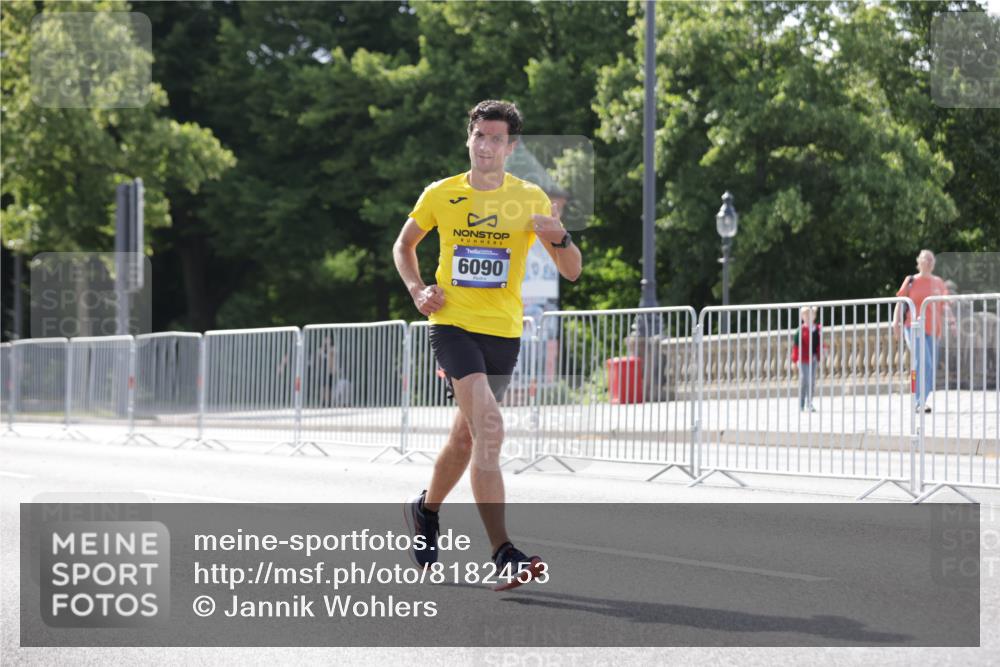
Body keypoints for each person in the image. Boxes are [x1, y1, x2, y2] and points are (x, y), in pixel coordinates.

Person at [392, 100, 582, 590]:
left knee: (466, 438)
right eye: (480, 136)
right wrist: (417, 290)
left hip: (504, 332)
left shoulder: (528, 198)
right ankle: (503, 551)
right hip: (453, 325)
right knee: (491, 428)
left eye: (497, 139)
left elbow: (572, 269)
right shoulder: (442, 194)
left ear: (511, 147)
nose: (487, 146)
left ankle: (425, 509)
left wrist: (559, 237)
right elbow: (404, 245)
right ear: (469, 138)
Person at [893, 249, 949, 413]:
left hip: (934, 330)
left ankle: (921, 400)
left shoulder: (939, 282)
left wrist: (952, 321)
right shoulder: (911, 281)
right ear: (919, 262)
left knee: (930, 367)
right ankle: (917, 400)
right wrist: (896, 321)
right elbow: (900, 301)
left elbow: (945, 306)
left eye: (931, 259)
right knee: (922, 361)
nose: (929, 262)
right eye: (925, 259)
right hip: (914, 327)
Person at [791, 306, 821, 412]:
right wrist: (794, 360)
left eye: (810, 314)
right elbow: (795, 347)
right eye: (805, 315)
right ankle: (801, 403)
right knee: (804, 379)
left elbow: (819, 344)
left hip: (812, 358)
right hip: (803, 359)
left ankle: (809, 403)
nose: (808, 317)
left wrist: (821, 353)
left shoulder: (817, 329)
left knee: (812, 381)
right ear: (802, 317)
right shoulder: (800, 330)